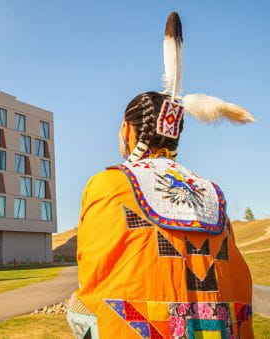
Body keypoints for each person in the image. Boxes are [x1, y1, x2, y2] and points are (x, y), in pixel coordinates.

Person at [67, 12, 255, 339]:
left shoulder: (109, 184)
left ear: (127, 130)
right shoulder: (212, 191)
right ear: (175, 136)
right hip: (223, 329)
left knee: (77, 307)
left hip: (133, 328)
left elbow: (91, 272)